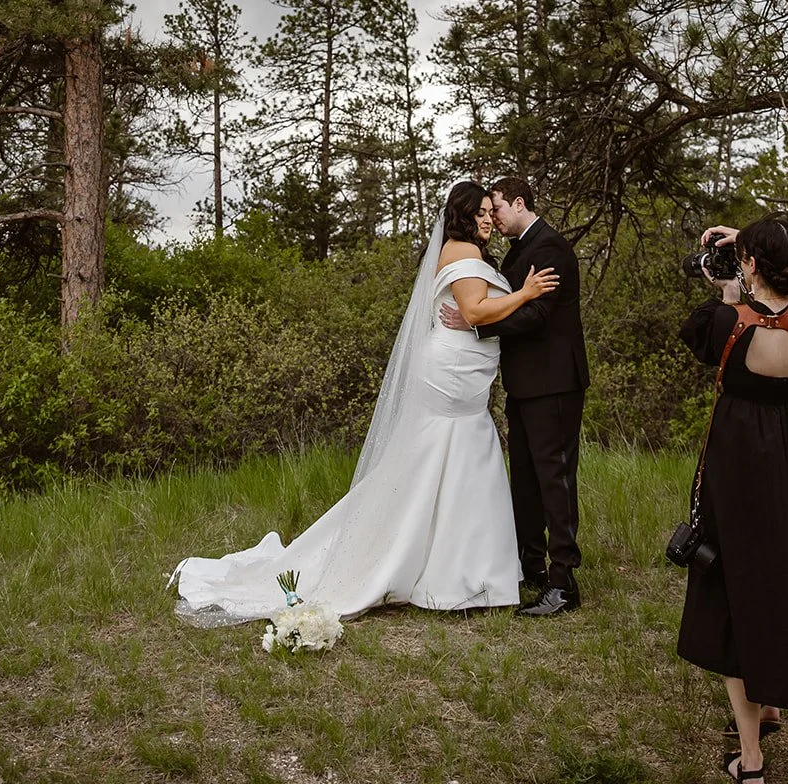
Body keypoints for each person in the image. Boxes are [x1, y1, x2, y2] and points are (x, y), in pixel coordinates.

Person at [169, 180, 558, 624]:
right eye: (481, 212)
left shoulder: (466, 253)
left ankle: (462, 572)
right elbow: (473, 313)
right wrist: (524, 295)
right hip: (452, 376)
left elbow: (472, 311)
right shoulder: (464, 253)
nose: (488, 219)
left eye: (492, 211)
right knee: (455, 457)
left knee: (451, 462)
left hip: (464, 373)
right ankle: (459, 576)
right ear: (462, 216)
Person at [676, 217, 788, 782]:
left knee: (741, 593)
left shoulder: (726, 321)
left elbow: (698, 335)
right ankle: (774, 701)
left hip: (743, 472)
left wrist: (734, 285)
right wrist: (758, 248)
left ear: (751, 263)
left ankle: (750, 759)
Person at [441, 175, 589, 616]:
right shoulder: (521, 250)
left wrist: (477, 324)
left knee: (555, 481)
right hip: (525, 384)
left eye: (497, 209)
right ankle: (532, 569)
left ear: (518, 203)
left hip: (555, 383)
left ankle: (564, 584)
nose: (493, 218)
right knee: (526, 480)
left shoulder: (550, 248)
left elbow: (538, 315)